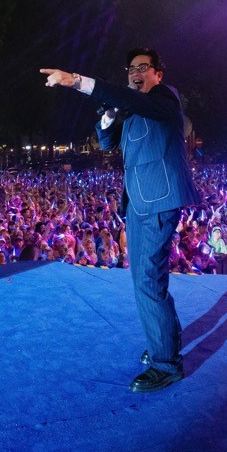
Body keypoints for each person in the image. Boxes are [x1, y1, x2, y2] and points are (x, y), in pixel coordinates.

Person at [42, 46, 199, 393]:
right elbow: (105, 141)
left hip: (158, 200)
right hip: (139, 203)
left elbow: (132, 100)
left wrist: (77, 82)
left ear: (158, 74)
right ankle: (165, 341)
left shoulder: (164, 98)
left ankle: (166, 364)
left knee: (147, 279)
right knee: (146, 277)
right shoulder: (130, 108)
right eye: (131, 69)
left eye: (143, 68)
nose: (135, 73)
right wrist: (109, 112)